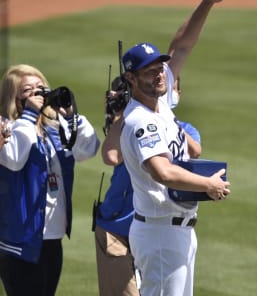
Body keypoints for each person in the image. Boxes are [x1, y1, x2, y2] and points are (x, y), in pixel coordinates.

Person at [94, 75, 202, 296]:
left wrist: (165, 117)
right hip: (117, 225)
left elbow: (195, 151)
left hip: (159, 223)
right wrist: (122, 114)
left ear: (177, 94)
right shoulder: (131, 122)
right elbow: (111, 156)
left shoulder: (183, 129)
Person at [0, 64, 100, 296]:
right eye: (28, 90)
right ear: (13, 96)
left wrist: (72, 117)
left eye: (41, 87)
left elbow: (88, 149)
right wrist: (29, 115)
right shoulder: (7, 127)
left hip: (52, 234)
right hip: (20, 236)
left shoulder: (55, 128)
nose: (38, 93)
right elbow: (13, 159)